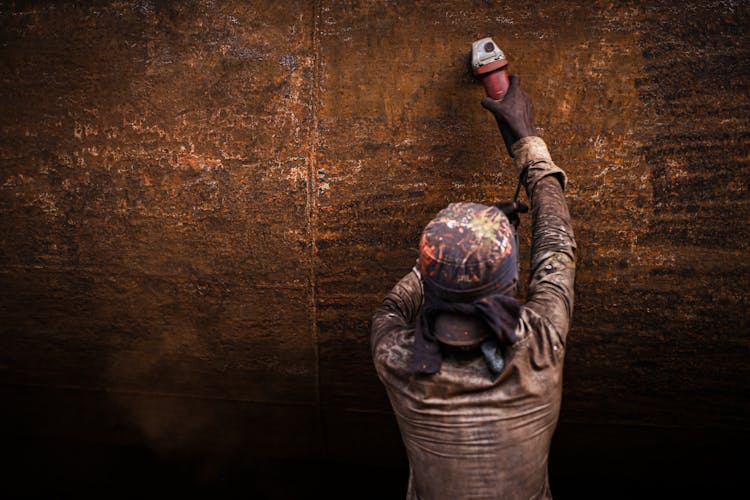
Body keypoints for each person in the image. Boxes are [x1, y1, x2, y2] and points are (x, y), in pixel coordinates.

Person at [370, 75, 576, 499]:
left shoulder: (392, 355)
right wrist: (526, 138)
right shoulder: (541, 346)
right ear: (514, 281)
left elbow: (395, 305)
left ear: (429, 281)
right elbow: (557, 247)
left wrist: (455, 249)